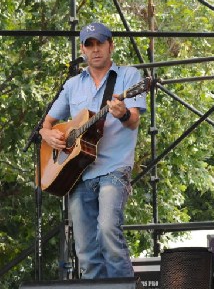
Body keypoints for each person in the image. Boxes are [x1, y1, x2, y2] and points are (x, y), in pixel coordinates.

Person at [39, 21, 146, 279]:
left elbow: (133, 121)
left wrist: (121, 115)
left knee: (108, 231)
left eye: (100, 43)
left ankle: (124, 286)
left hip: (113, 169)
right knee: (85, 248)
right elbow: (47, 123)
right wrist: (48, 135)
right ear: (83, 50)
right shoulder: (72, 84)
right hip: (77, 173)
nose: (95, 49)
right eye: (90, 45)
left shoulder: (128, 76)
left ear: (111, 45)